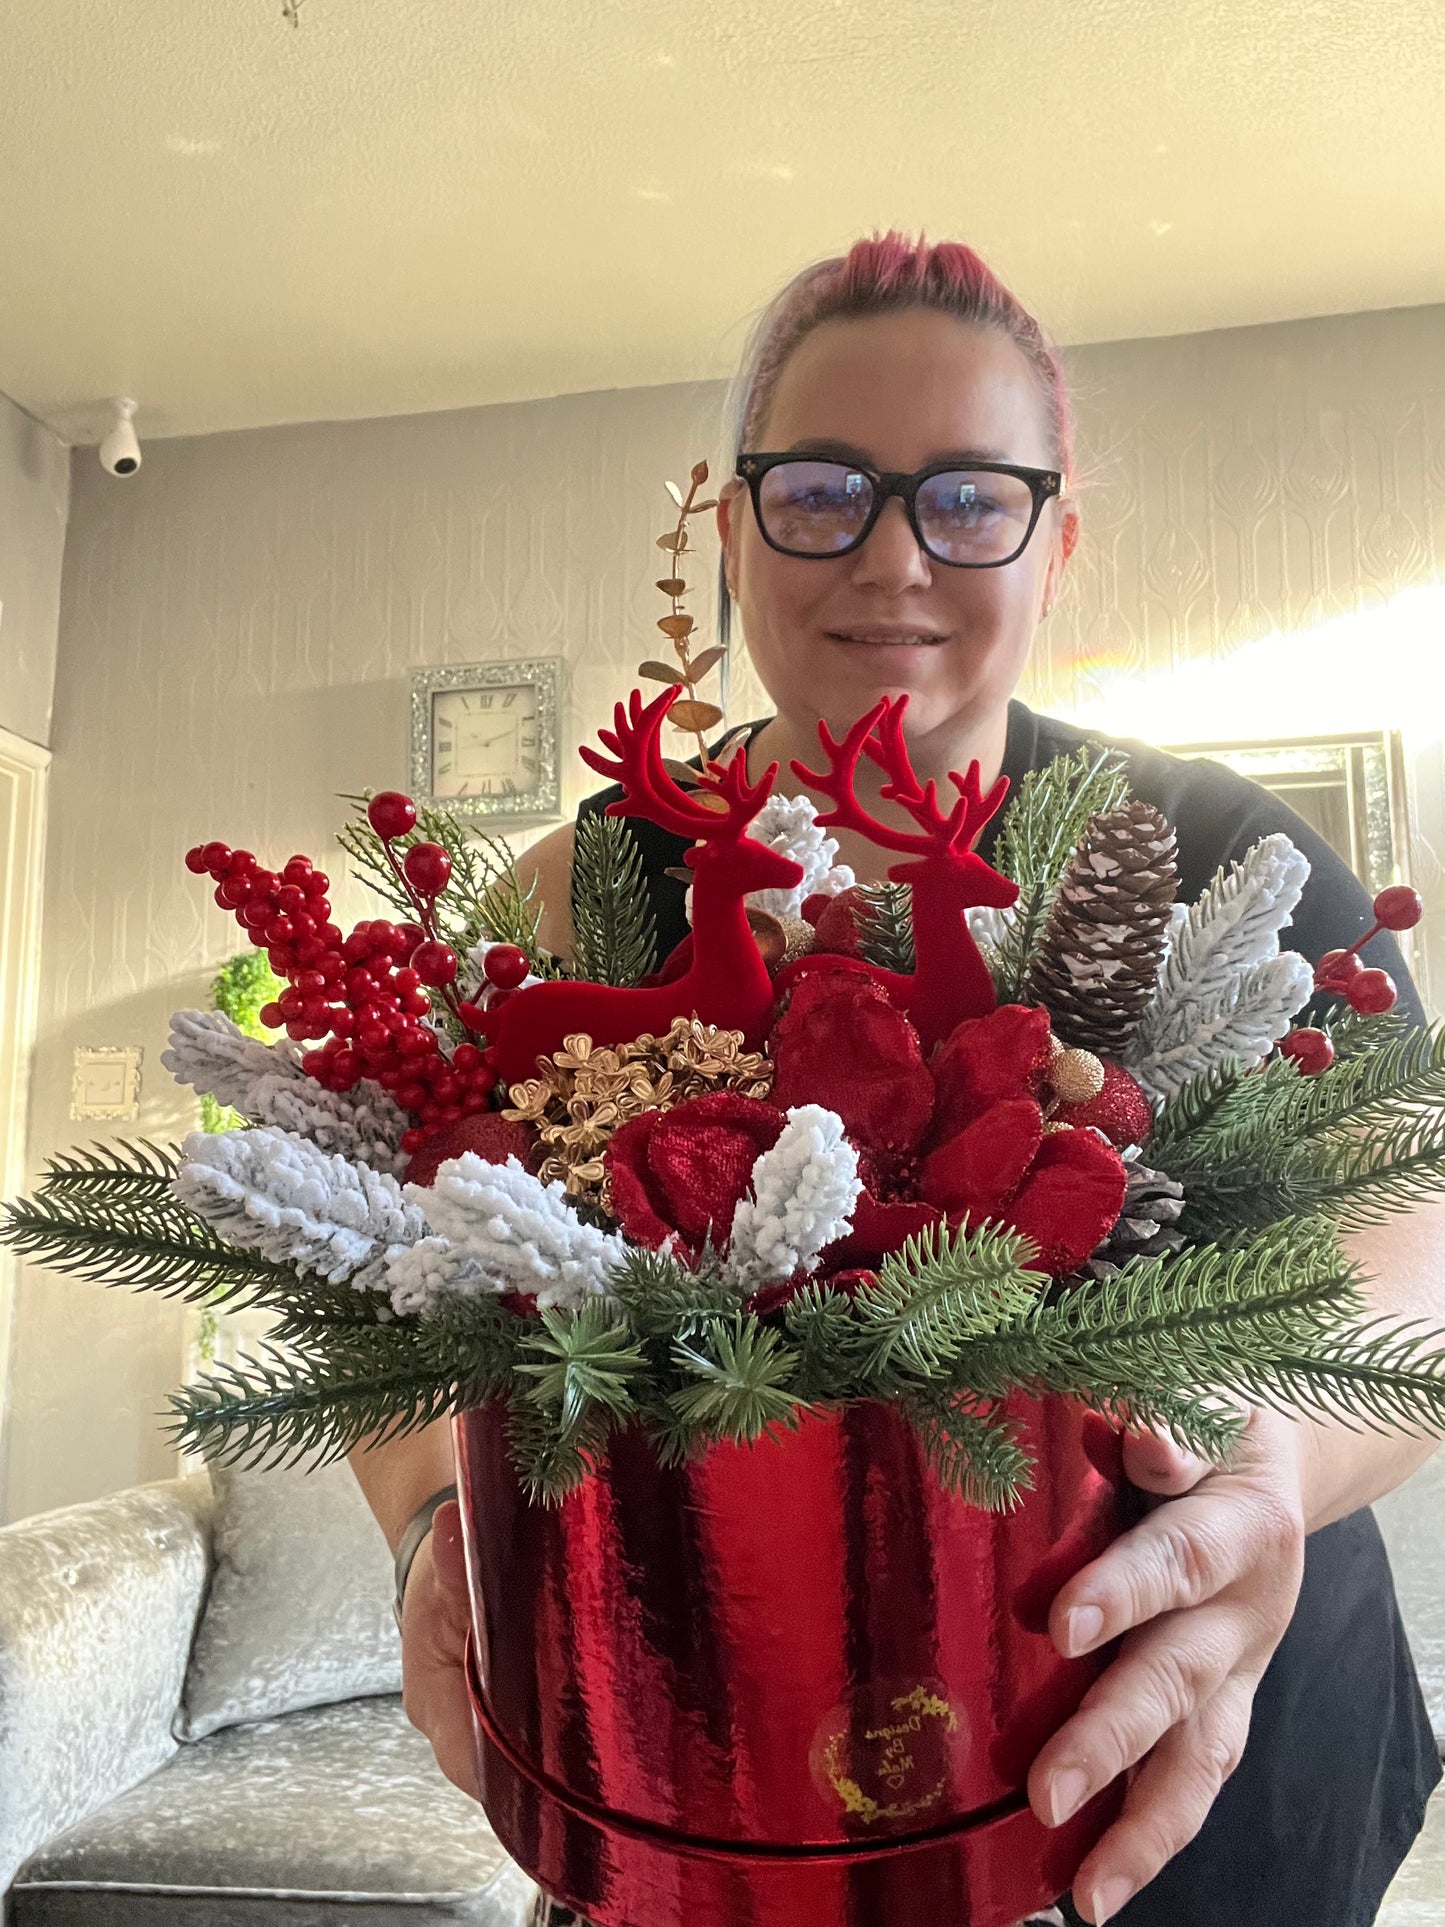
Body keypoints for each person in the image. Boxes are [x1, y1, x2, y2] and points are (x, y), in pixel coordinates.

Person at [351, 233, 1445, 1927]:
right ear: (731, 532)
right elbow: (386, 1253)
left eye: (966, 500)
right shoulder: (585, 887)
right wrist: (439, 1525)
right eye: (819, 492)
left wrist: (1264, 1470)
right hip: (708, 1761)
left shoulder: (1213, 859)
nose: (889, 558)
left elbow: (1418, 1222)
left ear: (1054, 546)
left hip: (1199, 1768)